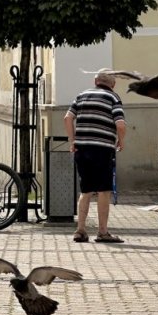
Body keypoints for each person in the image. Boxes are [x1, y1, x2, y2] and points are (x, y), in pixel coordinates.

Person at [64, 72, 127, 243]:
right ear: (112, 85)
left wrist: (72, 140)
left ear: (95, 82)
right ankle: (103, 232)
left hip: (82, 149)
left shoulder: (82, 95)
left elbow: (68, 117)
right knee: (104, 191)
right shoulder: (113, 98)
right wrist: (121, 142)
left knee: (85, 190)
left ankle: (80, 230)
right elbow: (120, 125)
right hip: (103, 150)